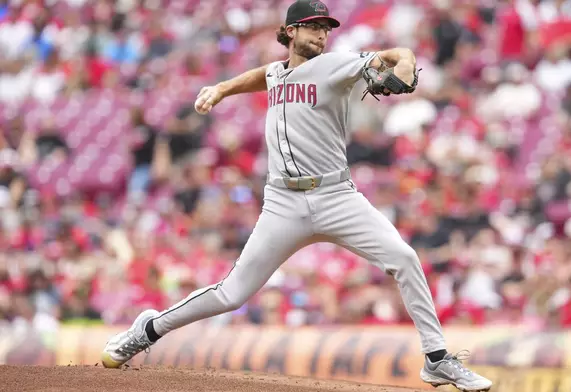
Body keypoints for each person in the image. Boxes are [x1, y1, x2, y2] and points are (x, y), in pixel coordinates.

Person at [101, 1, 492, 390]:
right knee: (231, 294)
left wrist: (404, 65)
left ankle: (437, 359)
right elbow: (266, 75)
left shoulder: (333, 65)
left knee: (404, 258)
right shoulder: (277, 72)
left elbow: (396, 55)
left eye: (325, 27)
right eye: (312, 27)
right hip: (283, 204)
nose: (321, 34)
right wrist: (222, 88)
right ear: (290, 32)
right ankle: (148, 329)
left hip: (337, 196)